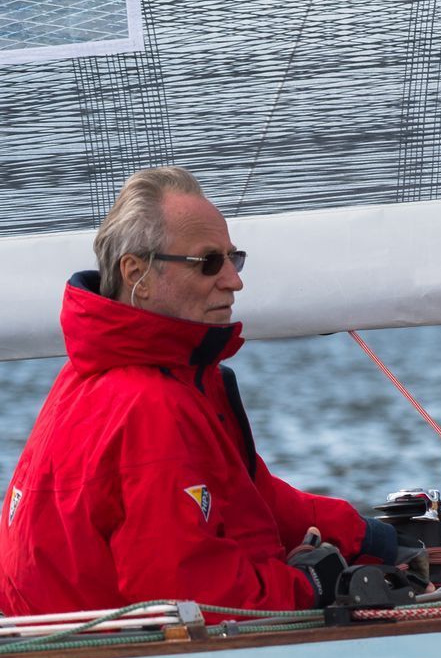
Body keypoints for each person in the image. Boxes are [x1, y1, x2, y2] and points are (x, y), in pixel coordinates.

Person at [0, 167, 408, 617]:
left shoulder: (91, 378)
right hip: (128, 656)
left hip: (66, 649)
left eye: (235, 259)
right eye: (208, 262)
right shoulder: (152, 406)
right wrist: (311, 587)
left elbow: (247, 498)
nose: (234, 280)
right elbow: (188, 593)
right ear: (137, 274)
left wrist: (367, 538)